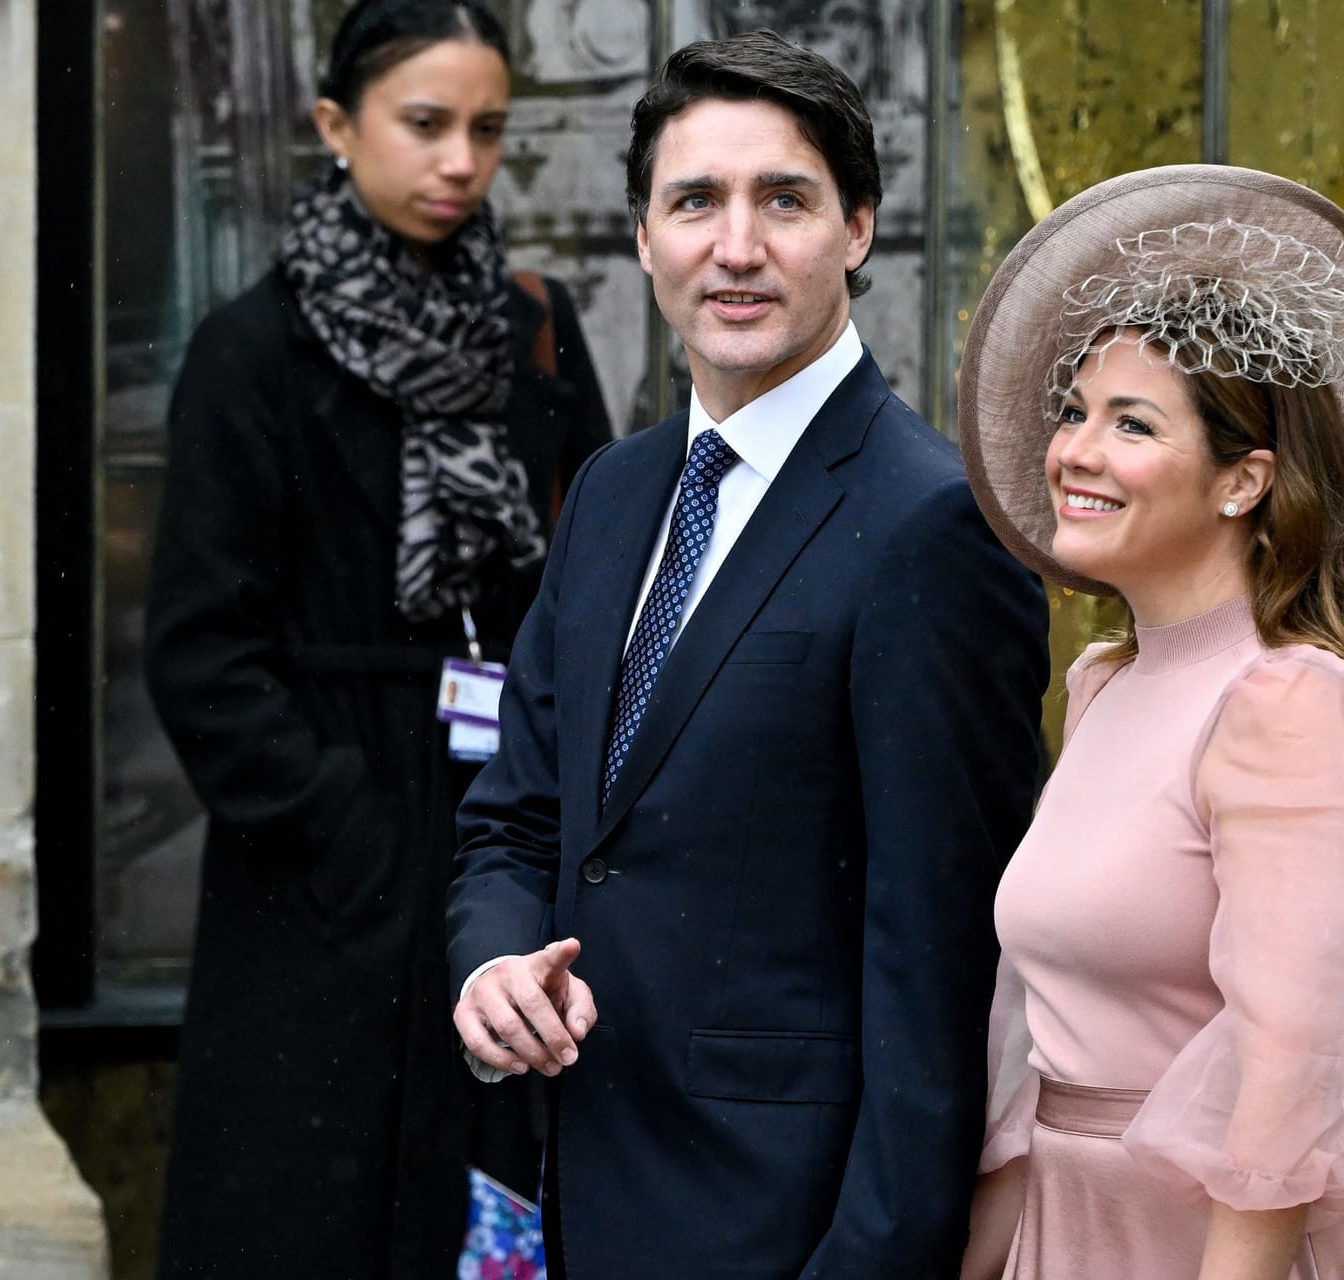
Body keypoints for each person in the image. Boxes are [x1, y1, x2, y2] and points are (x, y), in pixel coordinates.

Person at [445, 30, 1050, 1279]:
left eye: (785, 199)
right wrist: (496, 961)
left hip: (793, 1227)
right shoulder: (614, 492)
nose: (736, 245)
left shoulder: (932, 523)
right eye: (694, 202)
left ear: (860, 229)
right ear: (644, 236)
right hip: (595, 1187)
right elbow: (517, 815)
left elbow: (945, 961)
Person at [144, 2, 611, 1274]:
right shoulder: (254, 352)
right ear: (337, 127)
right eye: (426, 125)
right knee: (304, 1208)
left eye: (488, 129)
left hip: (498, 834)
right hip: (316, 875)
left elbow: (591, 594)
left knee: (487, 1201)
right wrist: (343, 828)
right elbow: (200, 652)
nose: (461, 160)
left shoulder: (537, 332)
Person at [953, 165, 1344, 1280]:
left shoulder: (1294, 701)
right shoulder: (1107, 682)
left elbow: (1287, 1072)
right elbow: (1044, 1050)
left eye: (1131, 424)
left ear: (1243, 481)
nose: (1074, 450)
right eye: (1074, 413)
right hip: (1060, 1230)